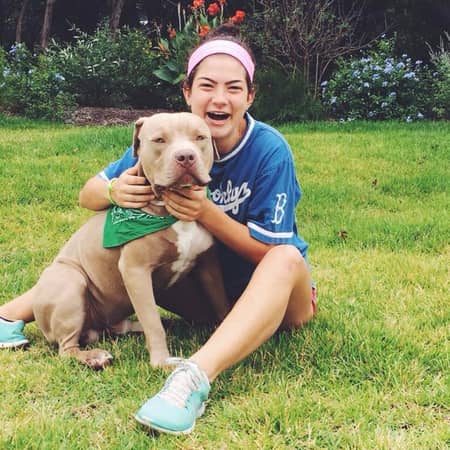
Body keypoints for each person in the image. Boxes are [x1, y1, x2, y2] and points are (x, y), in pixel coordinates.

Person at [0, 24, 316, 435]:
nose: (220, 98)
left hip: (277, 299)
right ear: (187, 92)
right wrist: (114, 190)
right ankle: (10, 313)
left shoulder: (268, 150)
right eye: (207, 86)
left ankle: (193, 378)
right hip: (201, 297)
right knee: (129, 250)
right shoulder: (166, 137)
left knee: (285, 257)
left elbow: (269, 252)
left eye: (234, 88)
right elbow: (89, 194)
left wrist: (206, 213)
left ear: (250, 96)